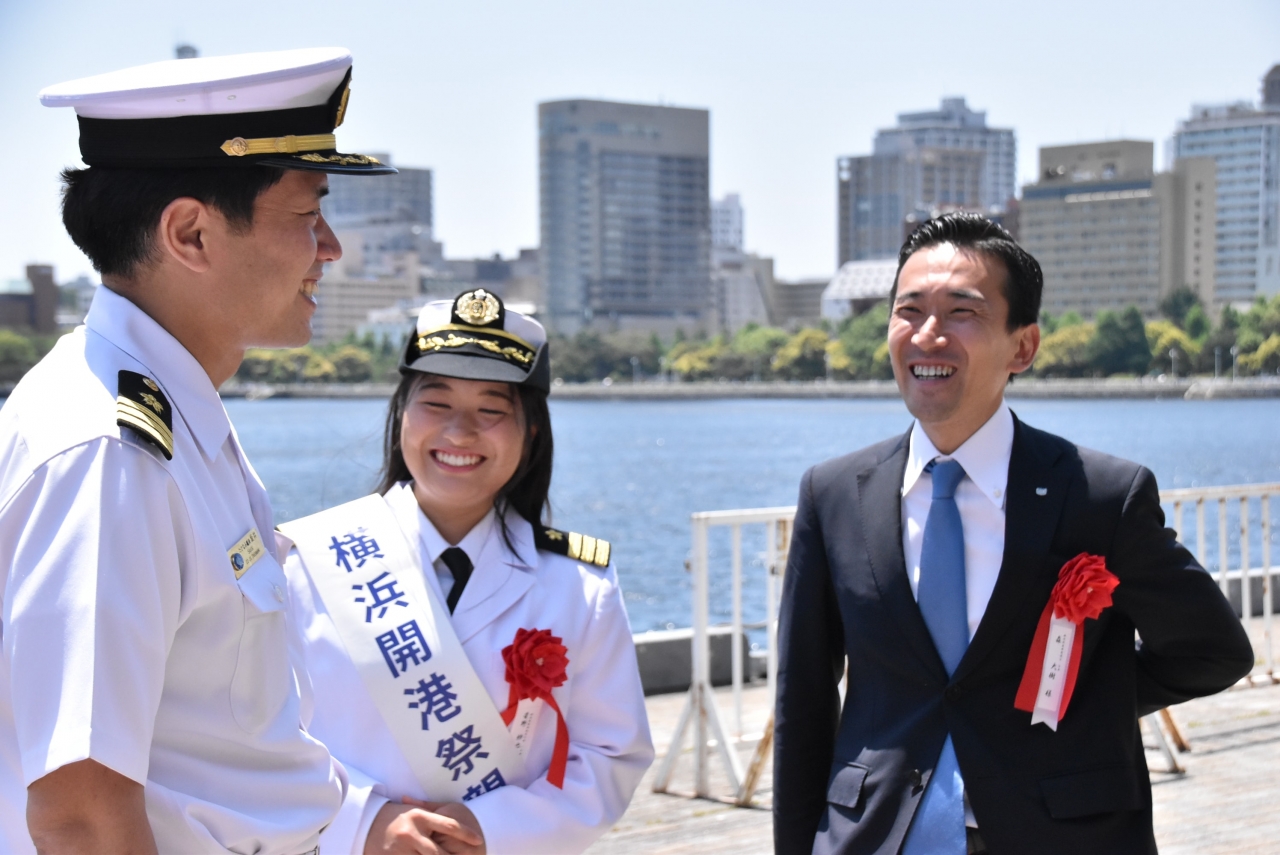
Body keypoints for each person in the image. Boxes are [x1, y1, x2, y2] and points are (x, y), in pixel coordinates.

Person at [0, 48, 395, 853]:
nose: (330, 248)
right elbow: (81, 815)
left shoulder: (168, 413)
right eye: (307, 214)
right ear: (190, 233)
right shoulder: (109, 453)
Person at [772, 212, 1254, 855]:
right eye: (909, 310)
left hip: (1062, 833)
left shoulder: (1101, 496)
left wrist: (1077, 699)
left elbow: (1214, 650)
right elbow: (803, 702)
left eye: (961, 312)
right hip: (876, 834)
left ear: (1023, 347)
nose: (928, 334)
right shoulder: (833, 494)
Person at [279, 288, 654, 855]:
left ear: (530, 430)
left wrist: (492, 828)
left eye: (491, 410)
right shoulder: (307, 561)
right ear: (402, 413)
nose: (459, 432)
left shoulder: (579, 586)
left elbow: (610, 755)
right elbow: (260, 734)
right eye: (436, 402)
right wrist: (364, 823)